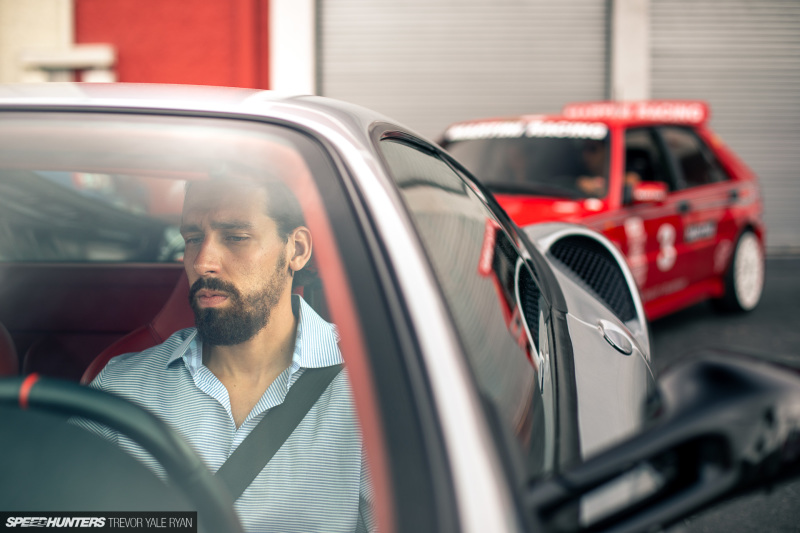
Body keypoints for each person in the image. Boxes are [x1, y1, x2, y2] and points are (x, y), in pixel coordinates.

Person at [80, 175, 374, 533]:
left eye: (235, 237)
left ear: (296, 250)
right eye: (192, 239)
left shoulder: (372, 393)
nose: (203, 262)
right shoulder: (124, 385)